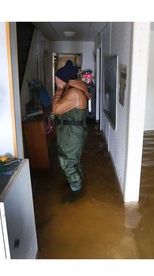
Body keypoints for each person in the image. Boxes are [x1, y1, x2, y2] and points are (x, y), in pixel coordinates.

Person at [52, 60, 91, 202]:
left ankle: (76, 193)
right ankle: (76, 183)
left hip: (71, 133)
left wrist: (58, 91)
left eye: (56, 79)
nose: (55, 81)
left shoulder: (73, 93)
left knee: (68, 162)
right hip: (71, 131)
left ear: (62, 80)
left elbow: (56, 109)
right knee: (73, 160)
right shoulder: (74, 89)